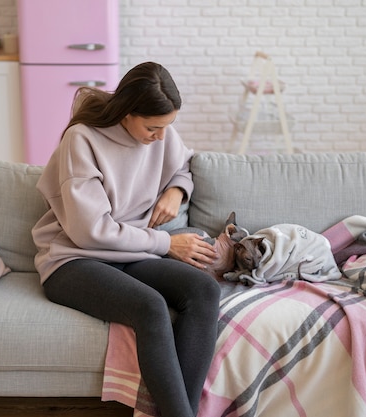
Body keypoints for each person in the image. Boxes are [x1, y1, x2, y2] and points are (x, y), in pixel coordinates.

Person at [32, 62, 221, 417]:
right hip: (74, 260)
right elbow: (90, 230)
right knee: (150, 307)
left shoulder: (159, 133)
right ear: (126, 114)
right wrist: (165, 244)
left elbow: (184, 165)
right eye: (153, 128)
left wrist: (177, 191)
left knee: (205, 291)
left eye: (167, 127)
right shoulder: (82, 140)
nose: (161, 137)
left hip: (129, 254)